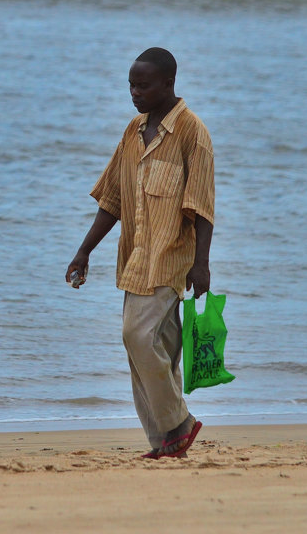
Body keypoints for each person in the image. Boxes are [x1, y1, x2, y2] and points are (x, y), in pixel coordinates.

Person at [65, 47, 215, 459]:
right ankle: (166, 444)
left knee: (136, 336)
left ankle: (180, 423)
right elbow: (111, 199)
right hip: (135, 259)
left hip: (170, 258)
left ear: (168, 83)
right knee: (151, 353)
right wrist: (84, 252)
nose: (135, 92)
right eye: (131, 84)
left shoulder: (192, 132)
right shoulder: (133, 133)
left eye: (143, 85)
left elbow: (202, 206)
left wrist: (202, 264)